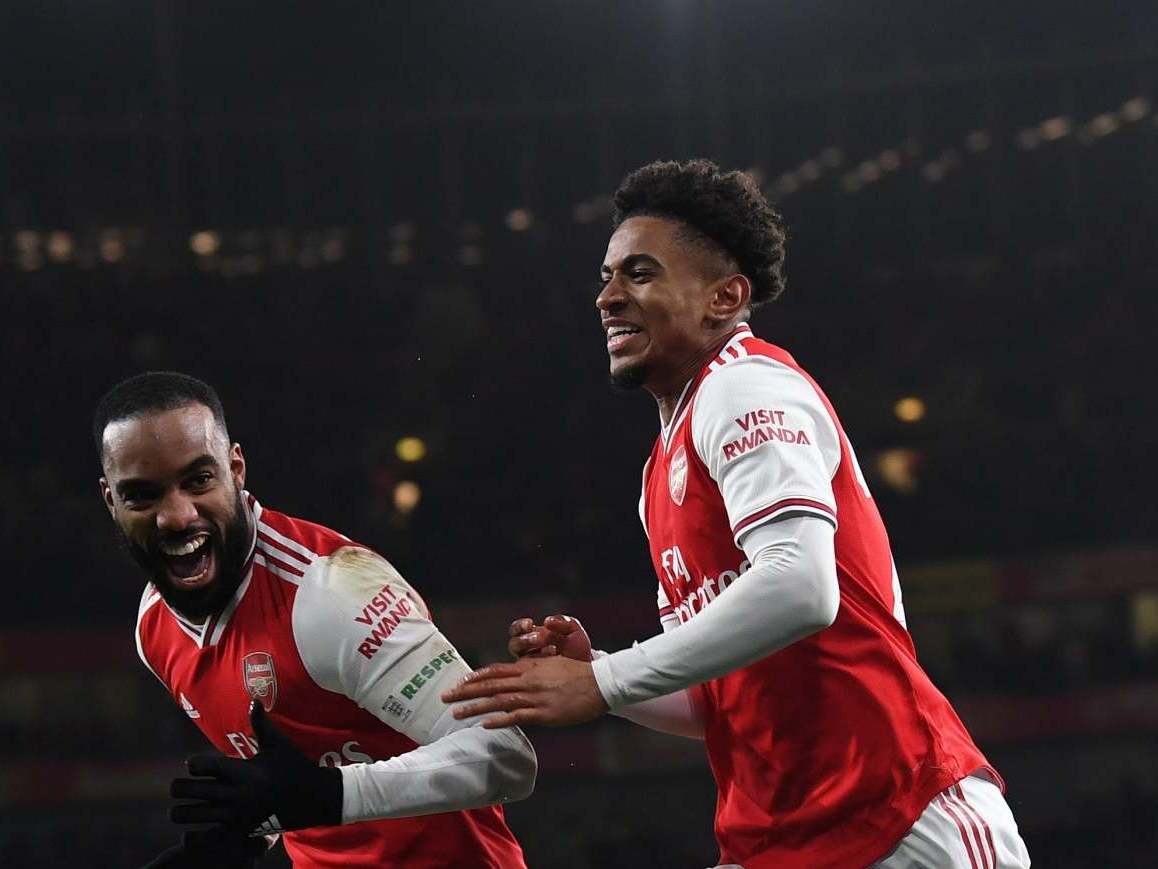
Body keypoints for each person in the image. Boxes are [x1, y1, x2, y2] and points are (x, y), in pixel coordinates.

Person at [442, 159, 1032, 869]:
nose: (607, 297)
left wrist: (602, 682)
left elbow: (803, 587)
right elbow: (718, 699)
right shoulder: (660, 469)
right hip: (779, 837)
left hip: (898, 817)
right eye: (606, 275)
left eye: (639, 273)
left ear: (725, 296)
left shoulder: (746, 386)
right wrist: (596, 674)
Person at [94, 371, 535, 869]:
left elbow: (505, 757)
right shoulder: (155, 631)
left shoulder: (332, 593)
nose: (176, 516)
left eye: (198, 480)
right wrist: (239, 839)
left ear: (236, 470)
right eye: (142, 495)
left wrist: (333, 795)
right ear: (112, 501)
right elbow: (285, 781)